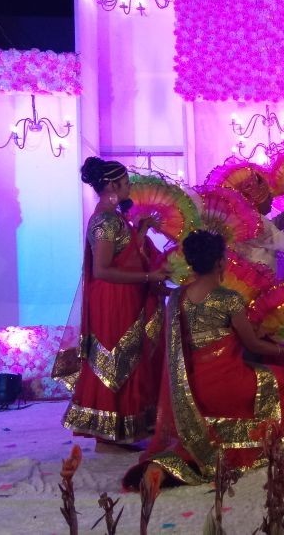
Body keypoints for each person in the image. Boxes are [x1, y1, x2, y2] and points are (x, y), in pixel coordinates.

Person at [123, 230, 284, 491]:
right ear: (221, 262)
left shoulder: (177, 298)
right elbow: (253, 345)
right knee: (282, 378)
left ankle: (172, 463)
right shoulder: (229, 299)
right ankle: (275, 448)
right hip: (228, 384)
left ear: (191, 262)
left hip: (189, 389)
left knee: (262, 375)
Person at [61, 157, 169, 446]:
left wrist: (141, 231)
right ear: (111, 185)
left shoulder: (115, 217)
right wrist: (149, 277)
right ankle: (108, 436)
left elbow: (125, 255)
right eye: (125, 182)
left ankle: (120, 433)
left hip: (126, 296)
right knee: (116, 360)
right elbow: (102, 270)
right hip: (113, 300)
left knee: (130, 359)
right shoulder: (105, 220)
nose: (129, 187)